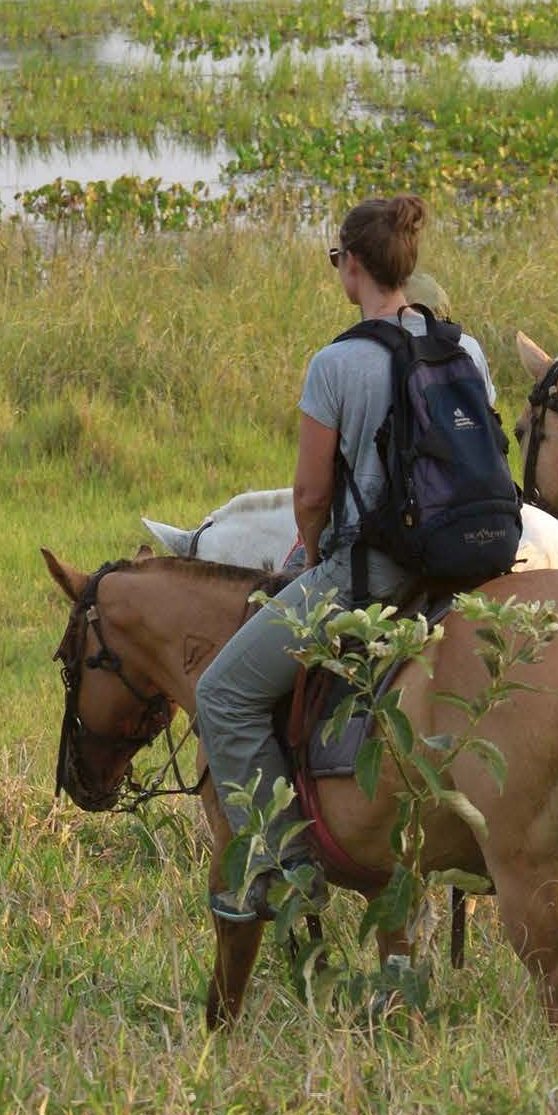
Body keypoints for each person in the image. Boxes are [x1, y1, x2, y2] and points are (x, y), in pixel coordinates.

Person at [195, 193, 493, 913]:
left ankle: (286, 864)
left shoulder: (334, 363)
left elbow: (309, 494)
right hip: (470, 564)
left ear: (352, 266)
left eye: (338, 259)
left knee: (221, 695)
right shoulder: (465, 347)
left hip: (375, 578)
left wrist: (315, 550)